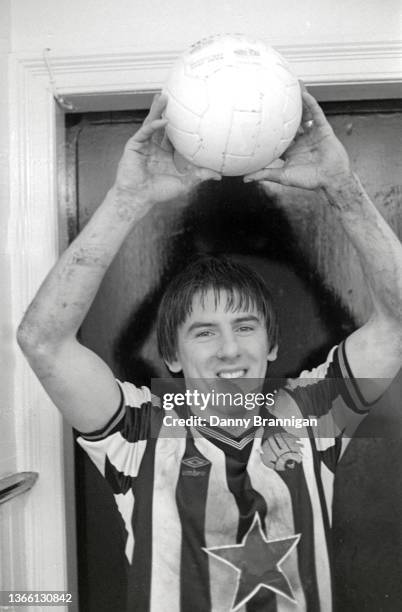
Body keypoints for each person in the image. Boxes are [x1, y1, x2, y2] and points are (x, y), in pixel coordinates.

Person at [17, 89, 402, 612]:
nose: (228, 351)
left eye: (245, 327)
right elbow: (43, 341)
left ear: (272, 348)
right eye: (203, 332)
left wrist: (342, 187)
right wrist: (128, 200)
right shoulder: (140, 431)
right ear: (171, 357)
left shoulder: (312, 416)